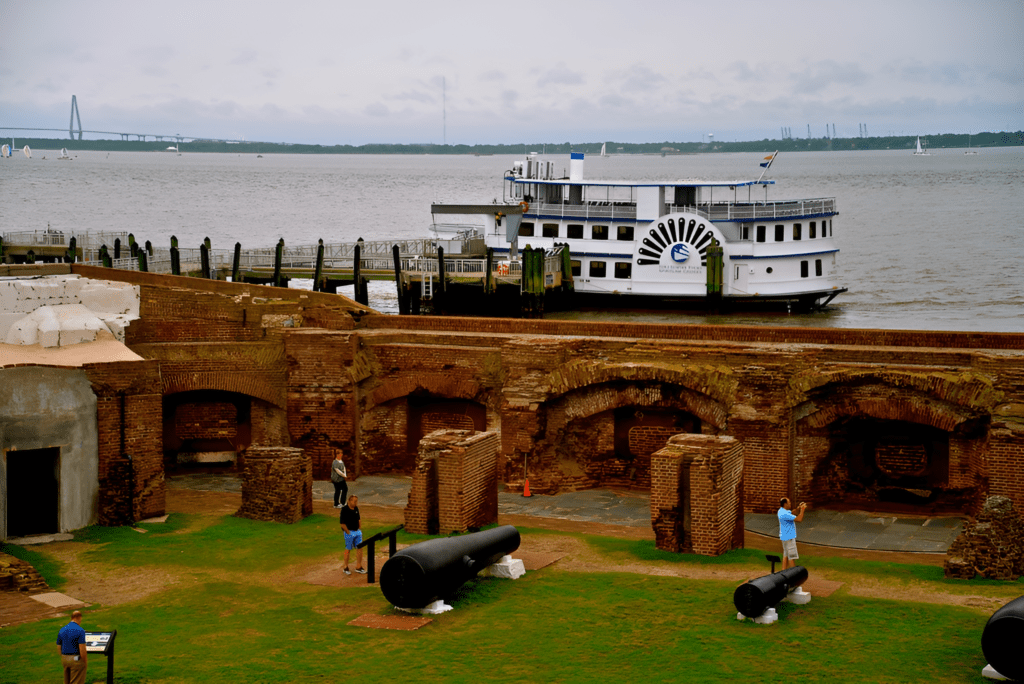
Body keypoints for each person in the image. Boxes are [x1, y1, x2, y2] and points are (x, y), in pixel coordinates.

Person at [56, 609, 87, 684]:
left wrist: (64, 656)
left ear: (71, 618)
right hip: (76, 658)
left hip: (64, 658)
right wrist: (85, 661)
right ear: (79, 618)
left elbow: (59, 647)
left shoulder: (62, 630)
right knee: (76, 681)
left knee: (66, 681)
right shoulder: (80, 630)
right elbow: (82, 649)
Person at [777, 497, 808, 570]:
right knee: (791, 557)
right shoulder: (785, 514)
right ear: (785, 504)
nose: (790, 504)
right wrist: (802, 510)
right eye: (789, 503)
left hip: (784, 537)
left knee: (786, 555)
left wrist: (798, 508)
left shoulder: (781, 511)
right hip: (789, 537)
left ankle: (783, 572)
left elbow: (792, 512)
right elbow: (799, 519)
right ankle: (793, 574)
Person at [340, 494, 366, 575]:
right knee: (348, 549)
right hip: (349, 532)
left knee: (359, 548)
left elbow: (359, 519)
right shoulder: (344, 510)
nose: (355, 503)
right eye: (354, 501)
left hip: (357, 531)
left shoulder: (356, 509)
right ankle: (346, 567)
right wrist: (347, 531)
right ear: (349, 501)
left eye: (356, 501)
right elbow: (342, 523)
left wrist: (359, 528)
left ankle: (358, 566)